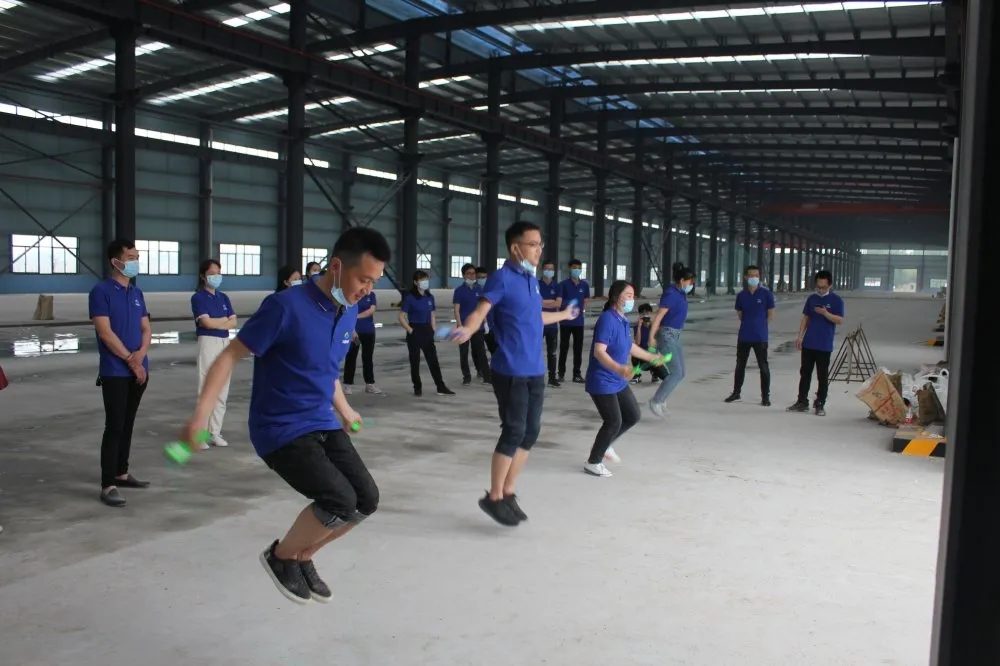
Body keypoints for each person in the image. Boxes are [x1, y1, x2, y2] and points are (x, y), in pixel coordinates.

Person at [183, 227, 390, 604]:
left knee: (367, 499)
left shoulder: (348, 311)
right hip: (280, 427)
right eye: (363, 279)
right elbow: (229, 356)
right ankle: (281, 557)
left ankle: (303, 556)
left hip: (321, 421)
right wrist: (201, 416)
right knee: (340, 500)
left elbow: (325, 370)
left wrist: (345, 410)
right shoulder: (285, 306)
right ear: (337, 266)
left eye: (374, 282)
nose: (367, 289)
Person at [452, 222, 580, 526]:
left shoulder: (530, 280)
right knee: (513, 431)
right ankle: (494, 496)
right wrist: (469, 328)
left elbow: (533, 316)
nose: (539, 250)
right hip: (511, 370)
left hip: (535, 369)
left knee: (530, 432)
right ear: (515, 248)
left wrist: (563, 314)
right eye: (533, 244)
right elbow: (482, 309)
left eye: (540, 244)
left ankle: (508, 491)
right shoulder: (502, 278)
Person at [89, 239, 152, 508]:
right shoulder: (101, 292)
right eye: (130, 257)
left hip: (139, 370)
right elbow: (105, 332)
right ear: (116, 261)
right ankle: (108, 484)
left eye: (137, 257)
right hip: (115, 371)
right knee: (114, 426)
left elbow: (146, 329)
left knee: (128, 423)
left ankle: (121, 472)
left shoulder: (137, 293)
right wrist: (130, 360)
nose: (135, 261)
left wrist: (141, 356)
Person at [584, 281, 665, 477]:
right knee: (613, 421)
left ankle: (606, 445)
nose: (631, 299)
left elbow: (629, 346)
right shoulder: (607, 319)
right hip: (602, 380)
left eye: (632, 295)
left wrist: (651, 357)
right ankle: (593, 462)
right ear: (616, 296)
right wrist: (619, 368)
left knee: (632, 415)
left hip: (617, 380)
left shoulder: (622, 320)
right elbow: (599, 352)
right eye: (628, 295)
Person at [191, 259, 238, 448]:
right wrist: (223, 321)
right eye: (211, 273)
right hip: (208, 343)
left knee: (222, 389)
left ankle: (214, 432)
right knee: (206, 388)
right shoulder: (198, 298)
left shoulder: (224, 297)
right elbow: (206, 324)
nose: (216, 277)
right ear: (203, 276)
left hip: (224, 343)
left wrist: (217, 322)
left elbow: (234, 322)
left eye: (218, 273)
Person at [787, 270, 845, 416]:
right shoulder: (812, 299)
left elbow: (839, 320)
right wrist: (800, 336)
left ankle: (820, 403)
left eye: (823, 287)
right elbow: (806, 318)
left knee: (822, 376)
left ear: (830, 285)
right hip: (809, 343)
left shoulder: (836, 300)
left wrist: (826, 313)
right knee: (805, 373)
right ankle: (802, 401)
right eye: (818, 287)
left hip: (824, 344)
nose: (820, 290)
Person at [647, 263, 696, 419]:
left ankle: (661, 400)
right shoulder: (671, 294)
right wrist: (651, 337)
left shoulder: (680, 293)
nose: (691, 285)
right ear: (682, 281)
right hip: (667, 335)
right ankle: (656, 401)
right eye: (690, 281)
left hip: (675, 335)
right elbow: (659, 316)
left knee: (681, 373)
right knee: (676, 372)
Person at [724, 265, 775, 407]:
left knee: (763, 367)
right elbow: (740, 314)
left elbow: (770, 314)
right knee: (740, 365)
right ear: (746, 277)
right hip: (744, 336)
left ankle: (765, 397)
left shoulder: (766, 294)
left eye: (756, 275)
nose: (754, 278)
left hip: (760, 337)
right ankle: (736, 393)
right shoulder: (741, 296)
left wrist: (760, 326)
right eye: (751, 275)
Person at [399, 270, 454, 397]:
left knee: (433, 360)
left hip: (427, 330)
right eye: (422, 280)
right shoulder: (410, 298)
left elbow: (432, 314)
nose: (425, 282)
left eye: (426, 280)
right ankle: (417, 387)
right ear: (415, 282)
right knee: (415, 361)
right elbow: (401, 316)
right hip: (415, 330)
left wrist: (433, 330)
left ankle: (440, 386)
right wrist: (410, 330)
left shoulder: (430, 297)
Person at [453, 263, 491, 386]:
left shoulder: (479, 290)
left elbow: (482, 309)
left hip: (477, 327)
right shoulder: (459, 291)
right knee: (464, 353)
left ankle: (487, 376)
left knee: (481, 352)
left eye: (473, 273)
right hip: (464, 327)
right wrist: (459, 325)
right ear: (463, 275)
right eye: (468, 273)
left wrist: (485, 323)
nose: (472, 276)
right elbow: (457, 310)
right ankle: (466, 377)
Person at [342, 289, 384, 396]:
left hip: (368, 332)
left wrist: (356, 316)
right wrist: (352, 329)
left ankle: (370, 384)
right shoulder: (353, 294)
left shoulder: (371, 295)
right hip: (355, 333)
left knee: (368, 358)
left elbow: (371, 310)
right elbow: (347, 312)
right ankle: (347, 385)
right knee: (351, 357)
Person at [557, 258, 590, 383]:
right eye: (574, 268)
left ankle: (577, 374)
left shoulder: (584, 285)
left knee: (578, 349)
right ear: (569, 269)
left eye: (579, 268)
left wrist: (581, 310)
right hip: (565, 321)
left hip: (579, 322)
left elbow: (585, 300)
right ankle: (561, 374)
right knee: (564, 348)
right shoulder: (563, 285)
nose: (577, 270)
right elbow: (560, 302)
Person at [539, 259, 562, 388]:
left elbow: (558, 303)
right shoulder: (537, 285)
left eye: (551, 269)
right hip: (538, 323)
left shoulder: (557, 286)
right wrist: (551, 302)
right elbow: (536, 302)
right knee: (535, 350)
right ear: (542, 270)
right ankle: (535, 376)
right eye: (547, 269)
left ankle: (552, 378)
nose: (549, 271)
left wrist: (543, 302)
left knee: (552, 352)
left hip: (552, 324)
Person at [632, 303, 666, 385]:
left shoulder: (655, 326)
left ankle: (655, 374)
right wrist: (639, 327)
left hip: (653, 355)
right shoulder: (637, 327)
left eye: (647, 313)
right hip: (642, 355)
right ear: (640, 315)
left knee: (666, 377)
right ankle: (637, 375)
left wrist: (653, 325)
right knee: (634, 354)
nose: (645, 315)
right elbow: (637, 342)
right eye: (642, 313)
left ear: (651, 314)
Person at [477, 266, 497, 355]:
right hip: (479, 326)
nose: (481, 279)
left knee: (493, 348)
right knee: (479, 351)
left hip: (492, 325)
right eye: (479, 277)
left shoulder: (491, 290)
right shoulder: (474, 291)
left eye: (483, 277)